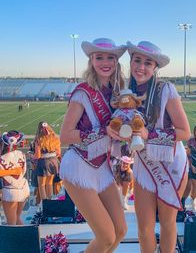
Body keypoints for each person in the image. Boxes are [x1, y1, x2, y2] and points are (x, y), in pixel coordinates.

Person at [109, 41, 190, 253]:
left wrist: (150, 134)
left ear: (155, 67)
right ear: (131, 61)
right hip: (144, 165)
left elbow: (185, 132)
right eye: (137, 60)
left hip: (170, 163)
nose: (141, 67)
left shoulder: (166, 89)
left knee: (167, 222)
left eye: (148, 62)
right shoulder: (125, 93)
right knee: (144, 227)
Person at [59, 38, 127, 253]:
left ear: (116, 62)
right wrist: (101, 131)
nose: (105, 62)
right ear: (91, 61)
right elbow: (65, 136)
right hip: (79, 165)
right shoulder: (83, 92)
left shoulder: (119, 92)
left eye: (110, 57)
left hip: (102, 166)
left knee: (121, 230)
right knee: (106, 236)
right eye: (99, 57)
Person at [0, 130, 30, 225]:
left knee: (11, 223)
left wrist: (12, 171)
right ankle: (24, 238)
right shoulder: (22, 154)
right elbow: (22, 171)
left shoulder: (2, 158)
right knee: (17, 218)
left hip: (10, 191)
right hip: (23, 188)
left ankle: (15, 239)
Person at [33, 122, 61, 202]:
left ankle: (44, 204)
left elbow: (37, 156)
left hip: (44, 162)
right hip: (54, 162)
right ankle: (50, 202)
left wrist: (31, 156)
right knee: (49, 183)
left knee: (41, 185)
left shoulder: (39, 139)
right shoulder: (55, 138)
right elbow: (58, 153)